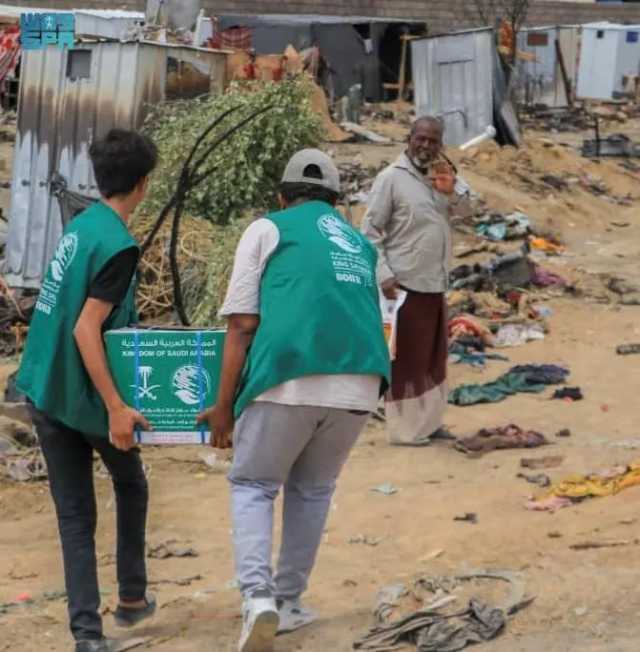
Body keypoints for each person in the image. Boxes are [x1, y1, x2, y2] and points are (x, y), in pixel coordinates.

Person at [198, 149, 390, 652]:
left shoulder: (268, 228)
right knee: (313, 490)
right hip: (361, 383)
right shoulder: (359, 242)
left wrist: (223, 407)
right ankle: (290, 602)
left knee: (254, 484)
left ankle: (259, 598)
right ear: (335, 201)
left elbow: (241, 322)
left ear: (282, 197)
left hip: (288, 378)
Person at [17, 129, 159, 652]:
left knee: (75, 515)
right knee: (130, 483)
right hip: (83, 395)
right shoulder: (119, 245)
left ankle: (88, 635)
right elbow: (85, 329)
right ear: (143, 184)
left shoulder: (81, 225)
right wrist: (119, 407)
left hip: (44, 386)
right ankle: (130, 597)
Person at [361, 117, 471, 446]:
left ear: (440, 144)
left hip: (434, 283)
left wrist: (452, 190)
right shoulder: (391, 179)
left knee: (434, 359)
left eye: (433, 141)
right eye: (420, 139)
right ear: (409, 139)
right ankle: (406, 432)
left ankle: (430, 424)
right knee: (408, 361)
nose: (425, 146)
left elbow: (468, 213)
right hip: (404, 287)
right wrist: (383, 275)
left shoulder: (440, 177)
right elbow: (369, 233)